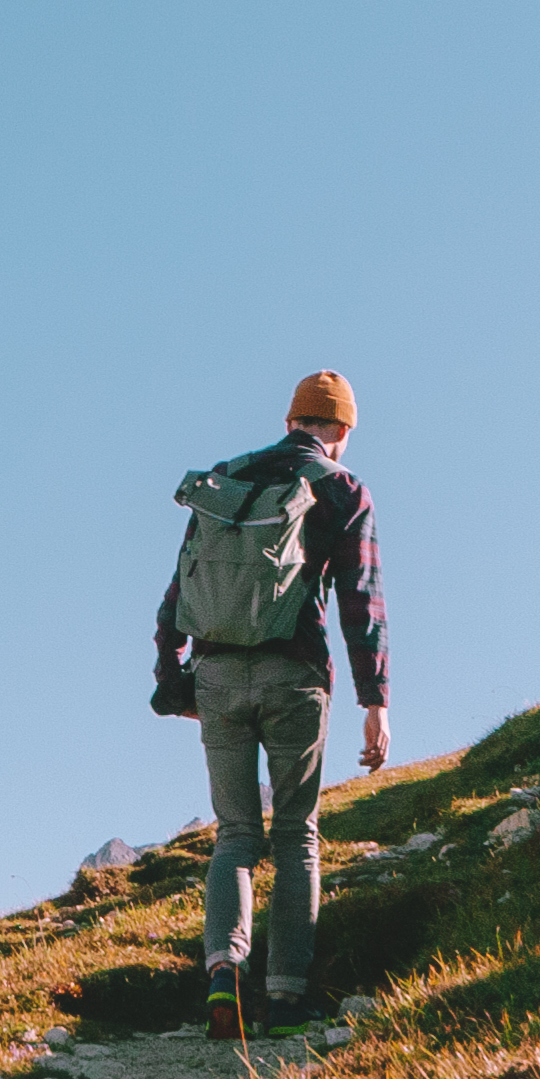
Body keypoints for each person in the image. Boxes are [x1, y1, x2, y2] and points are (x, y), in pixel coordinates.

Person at [151, 369, 391, 1044]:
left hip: (217, 674)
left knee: (234, 835)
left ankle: (224, 966)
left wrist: (174, 682)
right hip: (295, 680)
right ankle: (286, 996)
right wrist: (375, 702)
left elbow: (180, 588)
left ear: (291, 422)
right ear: (341, 432)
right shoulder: (343, 490)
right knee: (296, 837)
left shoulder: (229, 479)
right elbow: (361, 606)